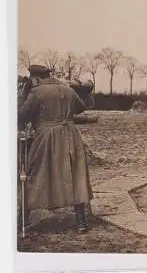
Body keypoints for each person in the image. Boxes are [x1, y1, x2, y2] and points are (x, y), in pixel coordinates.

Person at [18, 65, 93, 234]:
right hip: (70, 136)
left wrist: (25, 94)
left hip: (46, 136)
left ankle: (23, 220)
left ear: (36, 78)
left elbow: (23, 115)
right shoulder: (68, 90)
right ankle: (81, 222)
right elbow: (81, 108)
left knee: (35, 173)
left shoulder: (37, 92)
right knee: (75, 175)